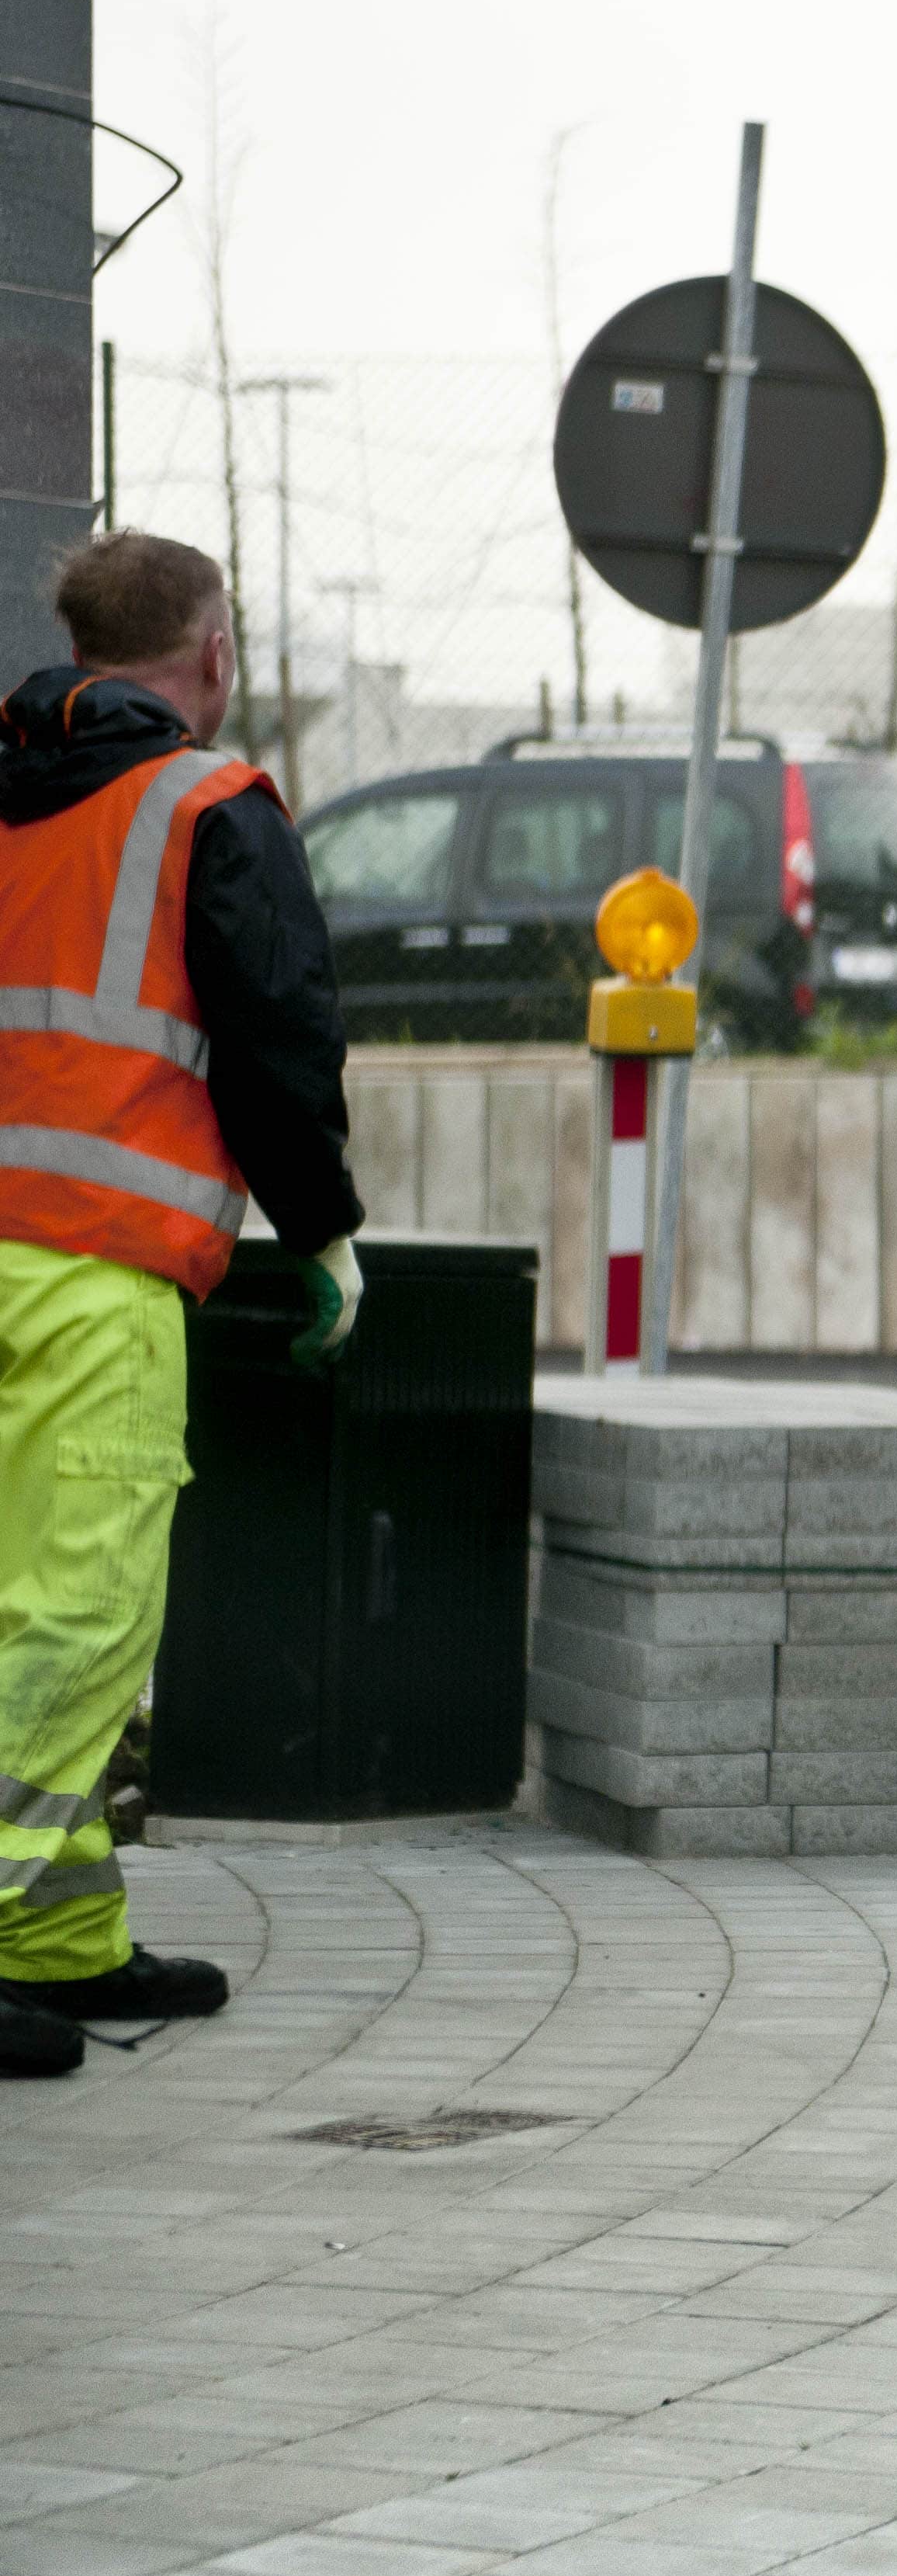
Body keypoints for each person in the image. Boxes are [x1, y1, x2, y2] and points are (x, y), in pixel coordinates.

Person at [0, 530, 365, 2078]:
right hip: (93, 1268)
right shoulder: (209, 805)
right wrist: (327, 1232)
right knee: (78, 1620)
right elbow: (278, 1033)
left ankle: (56, 1937)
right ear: (210, 655)